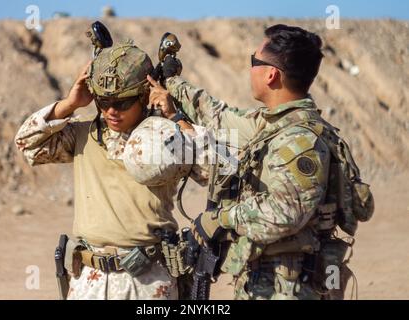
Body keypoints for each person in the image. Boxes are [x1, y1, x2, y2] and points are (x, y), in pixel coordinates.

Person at [150, 24, 373, 300]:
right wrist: (172, 83)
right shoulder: (275, 125)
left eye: (253, 61)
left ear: (271, 74)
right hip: (267, 280)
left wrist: (219, 219)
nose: (250, 68)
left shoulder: (299, 141)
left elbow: (285, 212)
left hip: (287, 287)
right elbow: (218, 115)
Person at [14, 40, 201, 300]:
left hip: (147, 285)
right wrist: (69, 104)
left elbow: (214, 168)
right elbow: (27, 144)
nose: (111, 111)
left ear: (144, 96)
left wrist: (176, 118)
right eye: (103, 101)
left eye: (122, 103)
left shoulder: (166, 140)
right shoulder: (82, 135)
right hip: (89, 282)